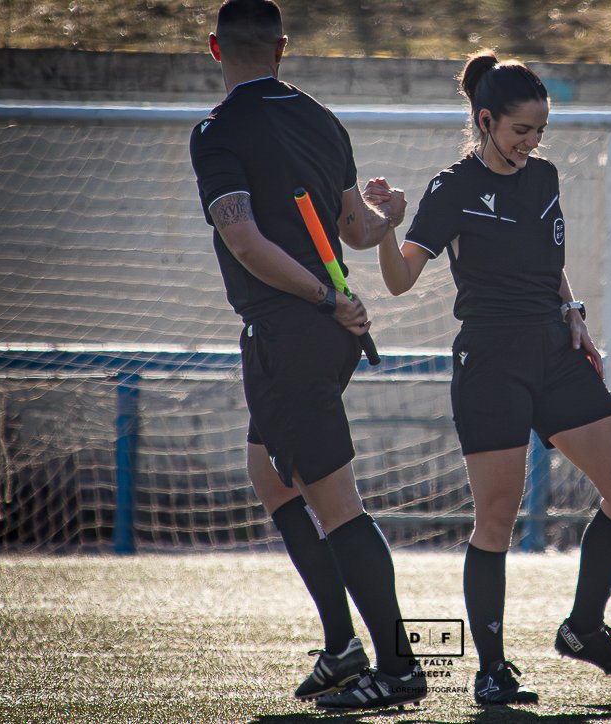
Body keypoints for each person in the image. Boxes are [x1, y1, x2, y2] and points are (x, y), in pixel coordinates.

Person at [368, 50, 611, 706]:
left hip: (556, 355)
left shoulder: (546, 176)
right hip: (490, 365)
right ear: (486, 119)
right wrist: (386, 230)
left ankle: (582, 628)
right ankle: (492, 671)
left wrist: (574, 311)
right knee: (496, 521)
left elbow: (547, 259)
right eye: (521, 130)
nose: (532, 143)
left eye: (540, 132)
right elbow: (399, 278)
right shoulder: (452, 188)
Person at [188, 0, 425, 710]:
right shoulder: (320, 116)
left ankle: (398, 666)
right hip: (322, 333)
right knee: (271, 478)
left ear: (214, 47)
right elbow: (356, 227)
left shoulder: (217, 131)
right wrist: (393, 216)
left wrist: (323, 298)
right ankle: (343, 647)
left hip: (293, 333)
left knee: (335, 501)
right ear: (282, 49)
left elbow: (245, 242)